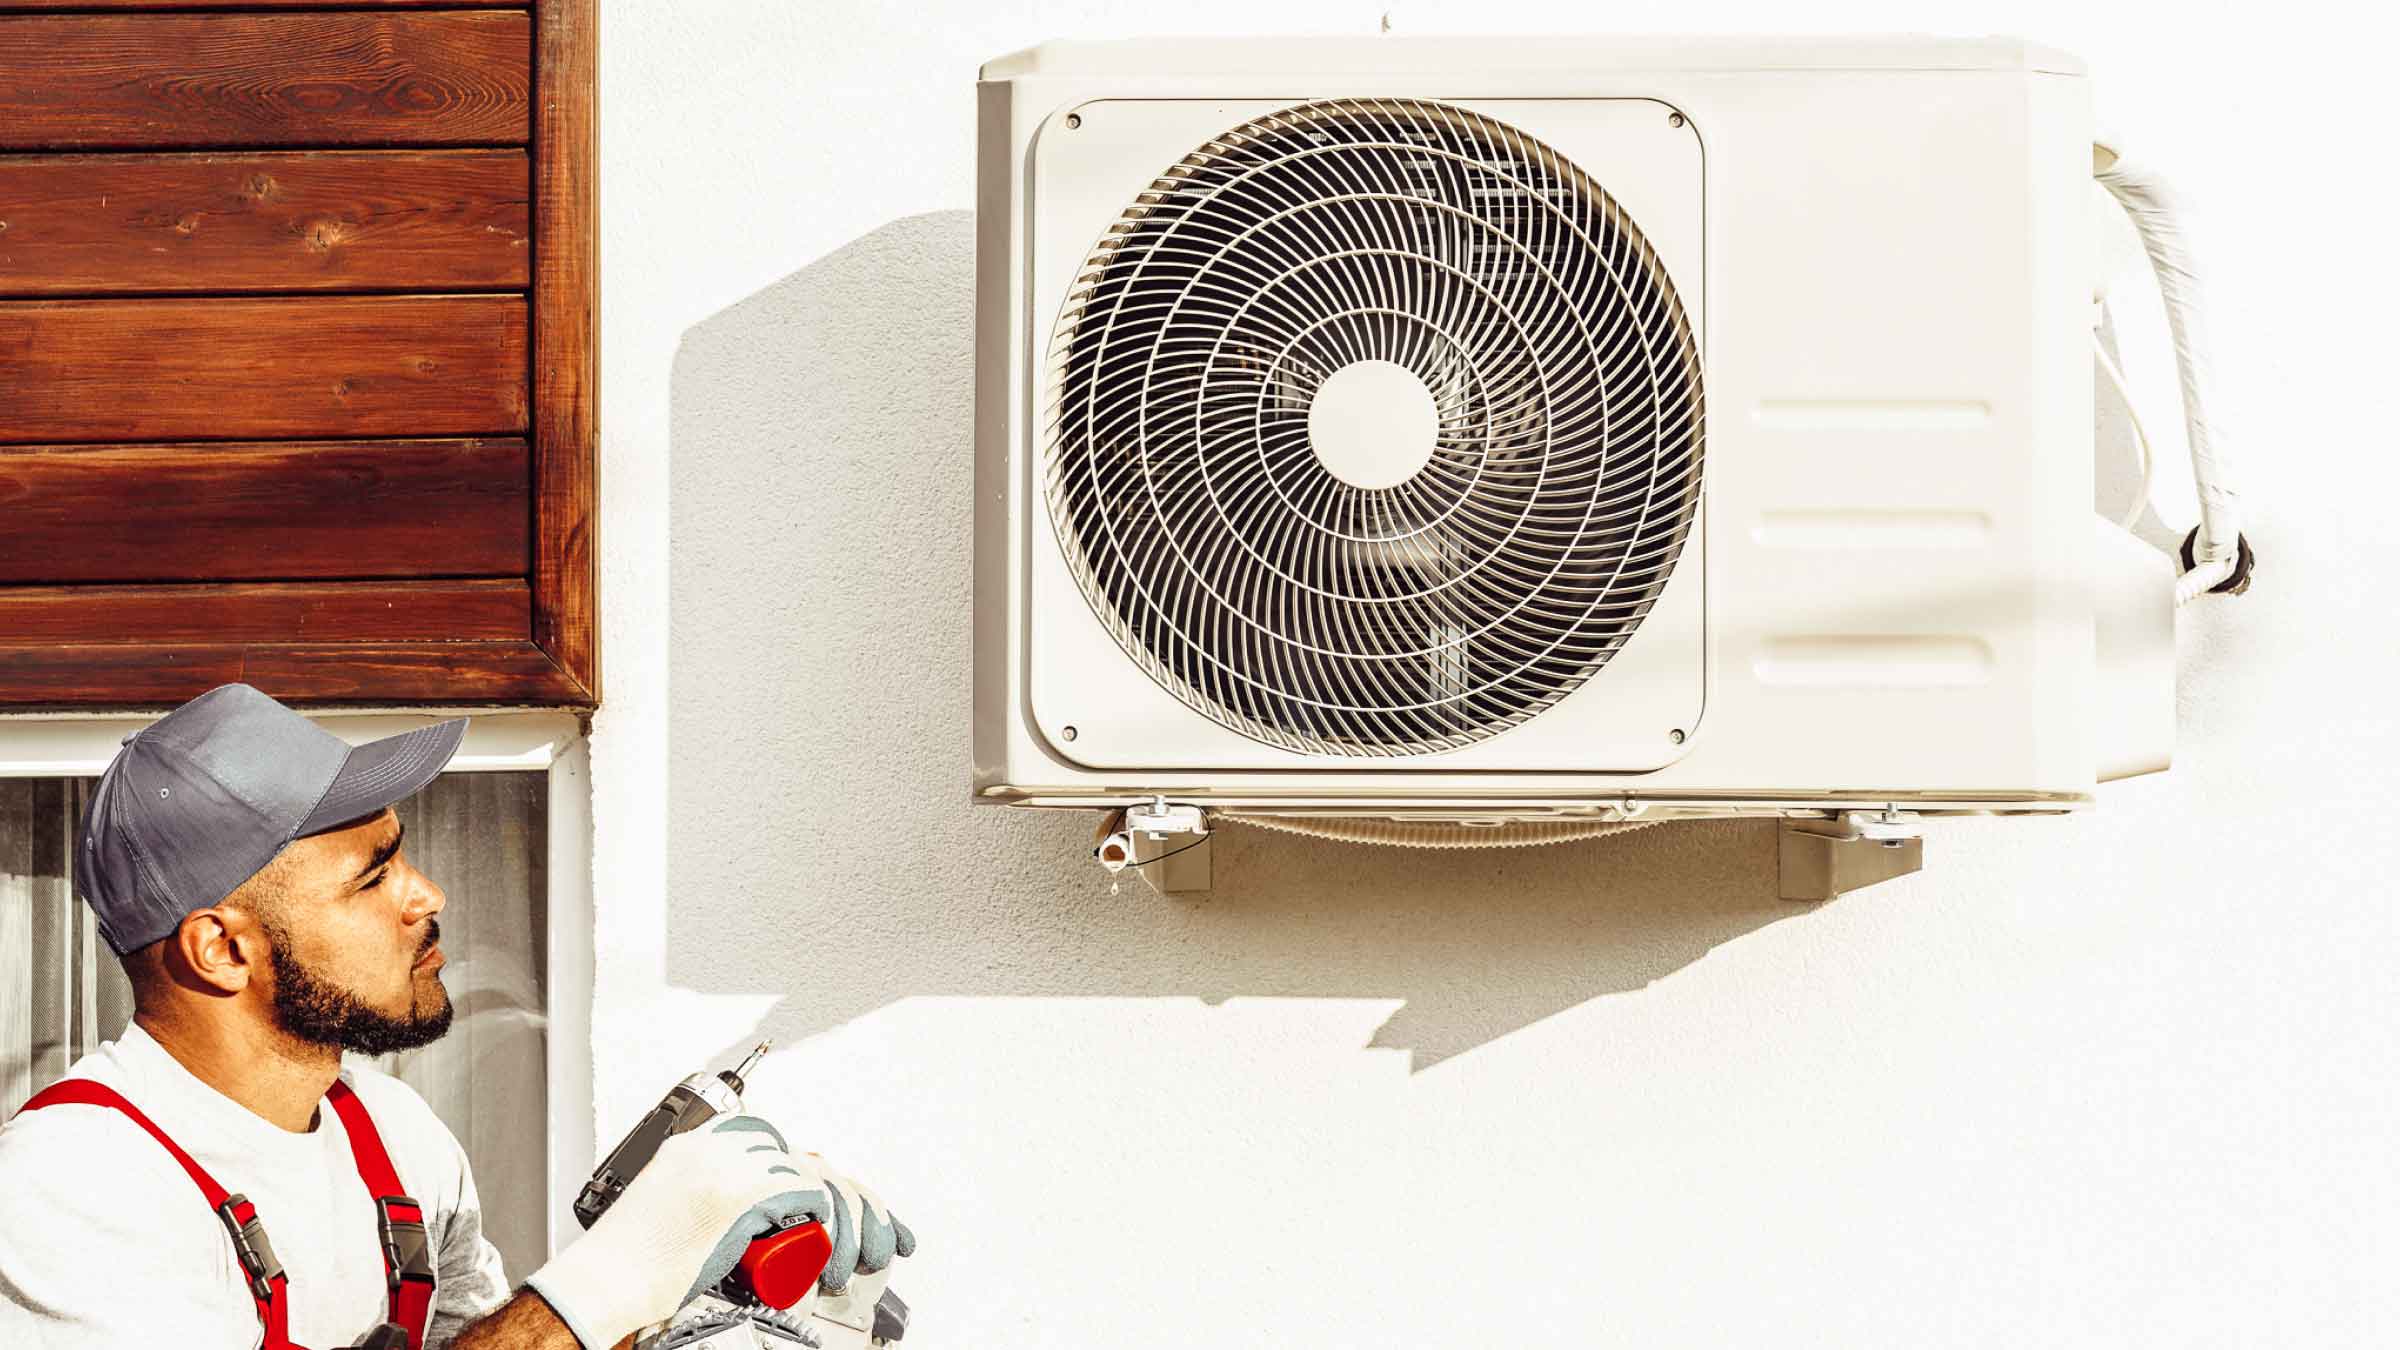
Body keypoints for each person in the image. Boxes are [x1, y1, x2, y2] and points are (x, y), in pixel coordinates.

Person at [0, 684, 911, 1349]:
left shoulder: (393, 1136)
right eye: (372, 876)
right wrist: (607, 1279)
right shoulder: (68, 1184)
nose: (426, 893)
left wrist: (689, 1306)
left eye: (404, 856)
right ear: (221, 950)